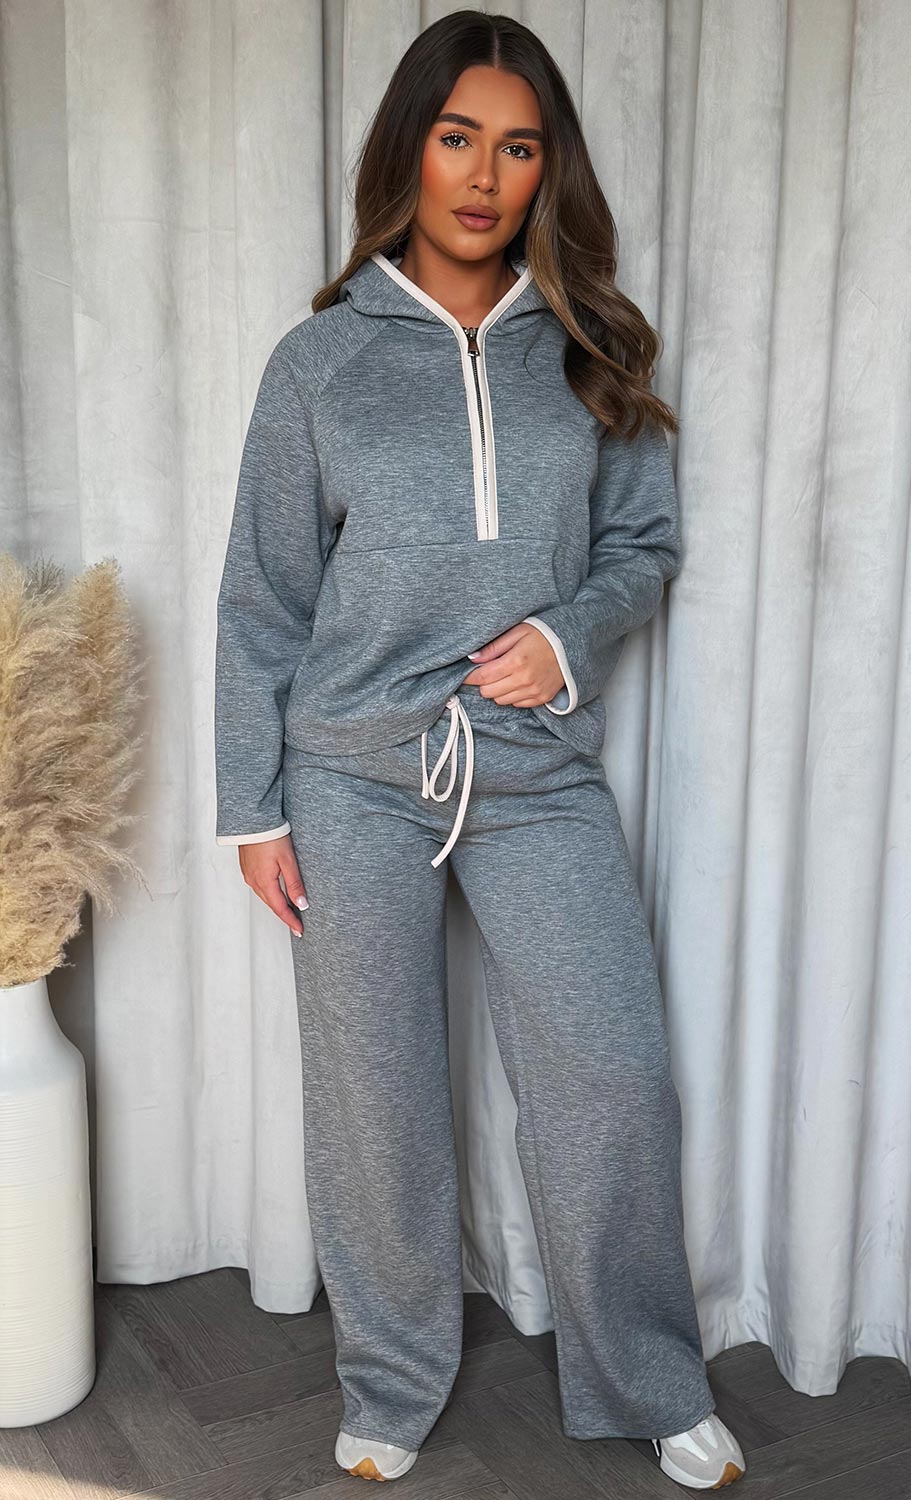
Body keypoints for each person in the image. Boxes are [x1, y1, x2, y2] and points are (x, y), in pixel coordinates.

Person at [213, 9, 746, 1490]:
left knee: (610, 1075)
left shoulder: (594, 350)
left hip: (533, 769)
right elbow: (261, 598)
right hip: (351, 773)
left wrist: (568, 636)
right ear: (411, 148)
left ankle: (648, 1379)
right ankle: (390, 1381)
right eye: (458, 138)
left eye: (518, 147)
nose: (484, 176)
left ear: (546, 169)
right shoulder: (319, 363)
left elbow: (643, 546)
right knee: (373, 1097)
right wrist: (253, 808)